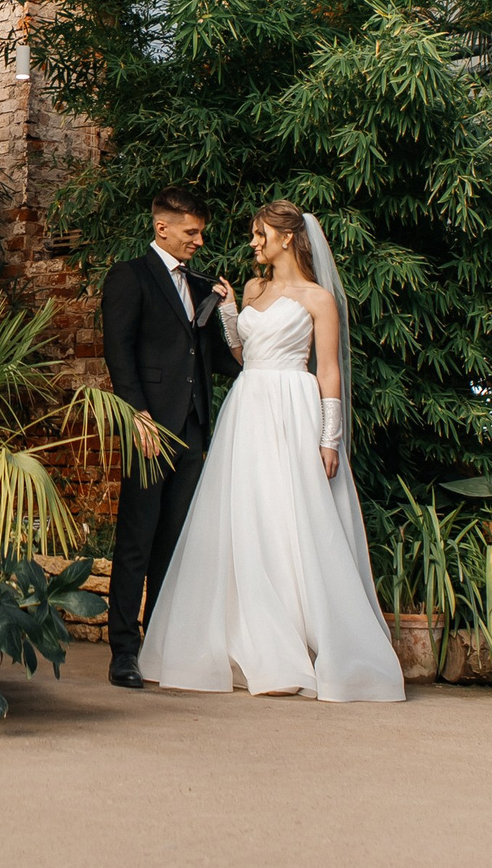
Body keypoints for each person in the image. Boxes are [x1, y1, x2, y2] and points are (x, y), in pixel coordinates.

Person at [139, 199, 405, 702]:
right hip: (248, 407)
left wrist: (330, 438)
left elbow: (327, 371)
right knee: (248, 516)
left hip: (293, 408)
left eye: (261, 234)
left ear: (288, 237)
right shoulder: (255, 288)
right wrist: (232, 311)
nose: (254, 242)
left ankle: (305, 638)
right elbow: (242, 354)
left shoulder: (318, 300)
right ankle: (247, 638)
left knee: (293, 518)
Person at [99, 186, 239, 689]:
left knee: (174, 542)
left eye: (201, 233)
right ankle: (124, 653)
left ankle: (159, 644)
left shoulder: (202, 286)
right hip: (150, 427)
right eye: (191, 232)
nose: (199, 241)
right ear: (163, 228)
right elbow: (120, 350)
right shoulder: (130, 276)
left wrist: (234, 318)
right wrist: (138, 416)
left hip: (194, 428)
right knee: (136, 538)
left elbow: (220, 360)